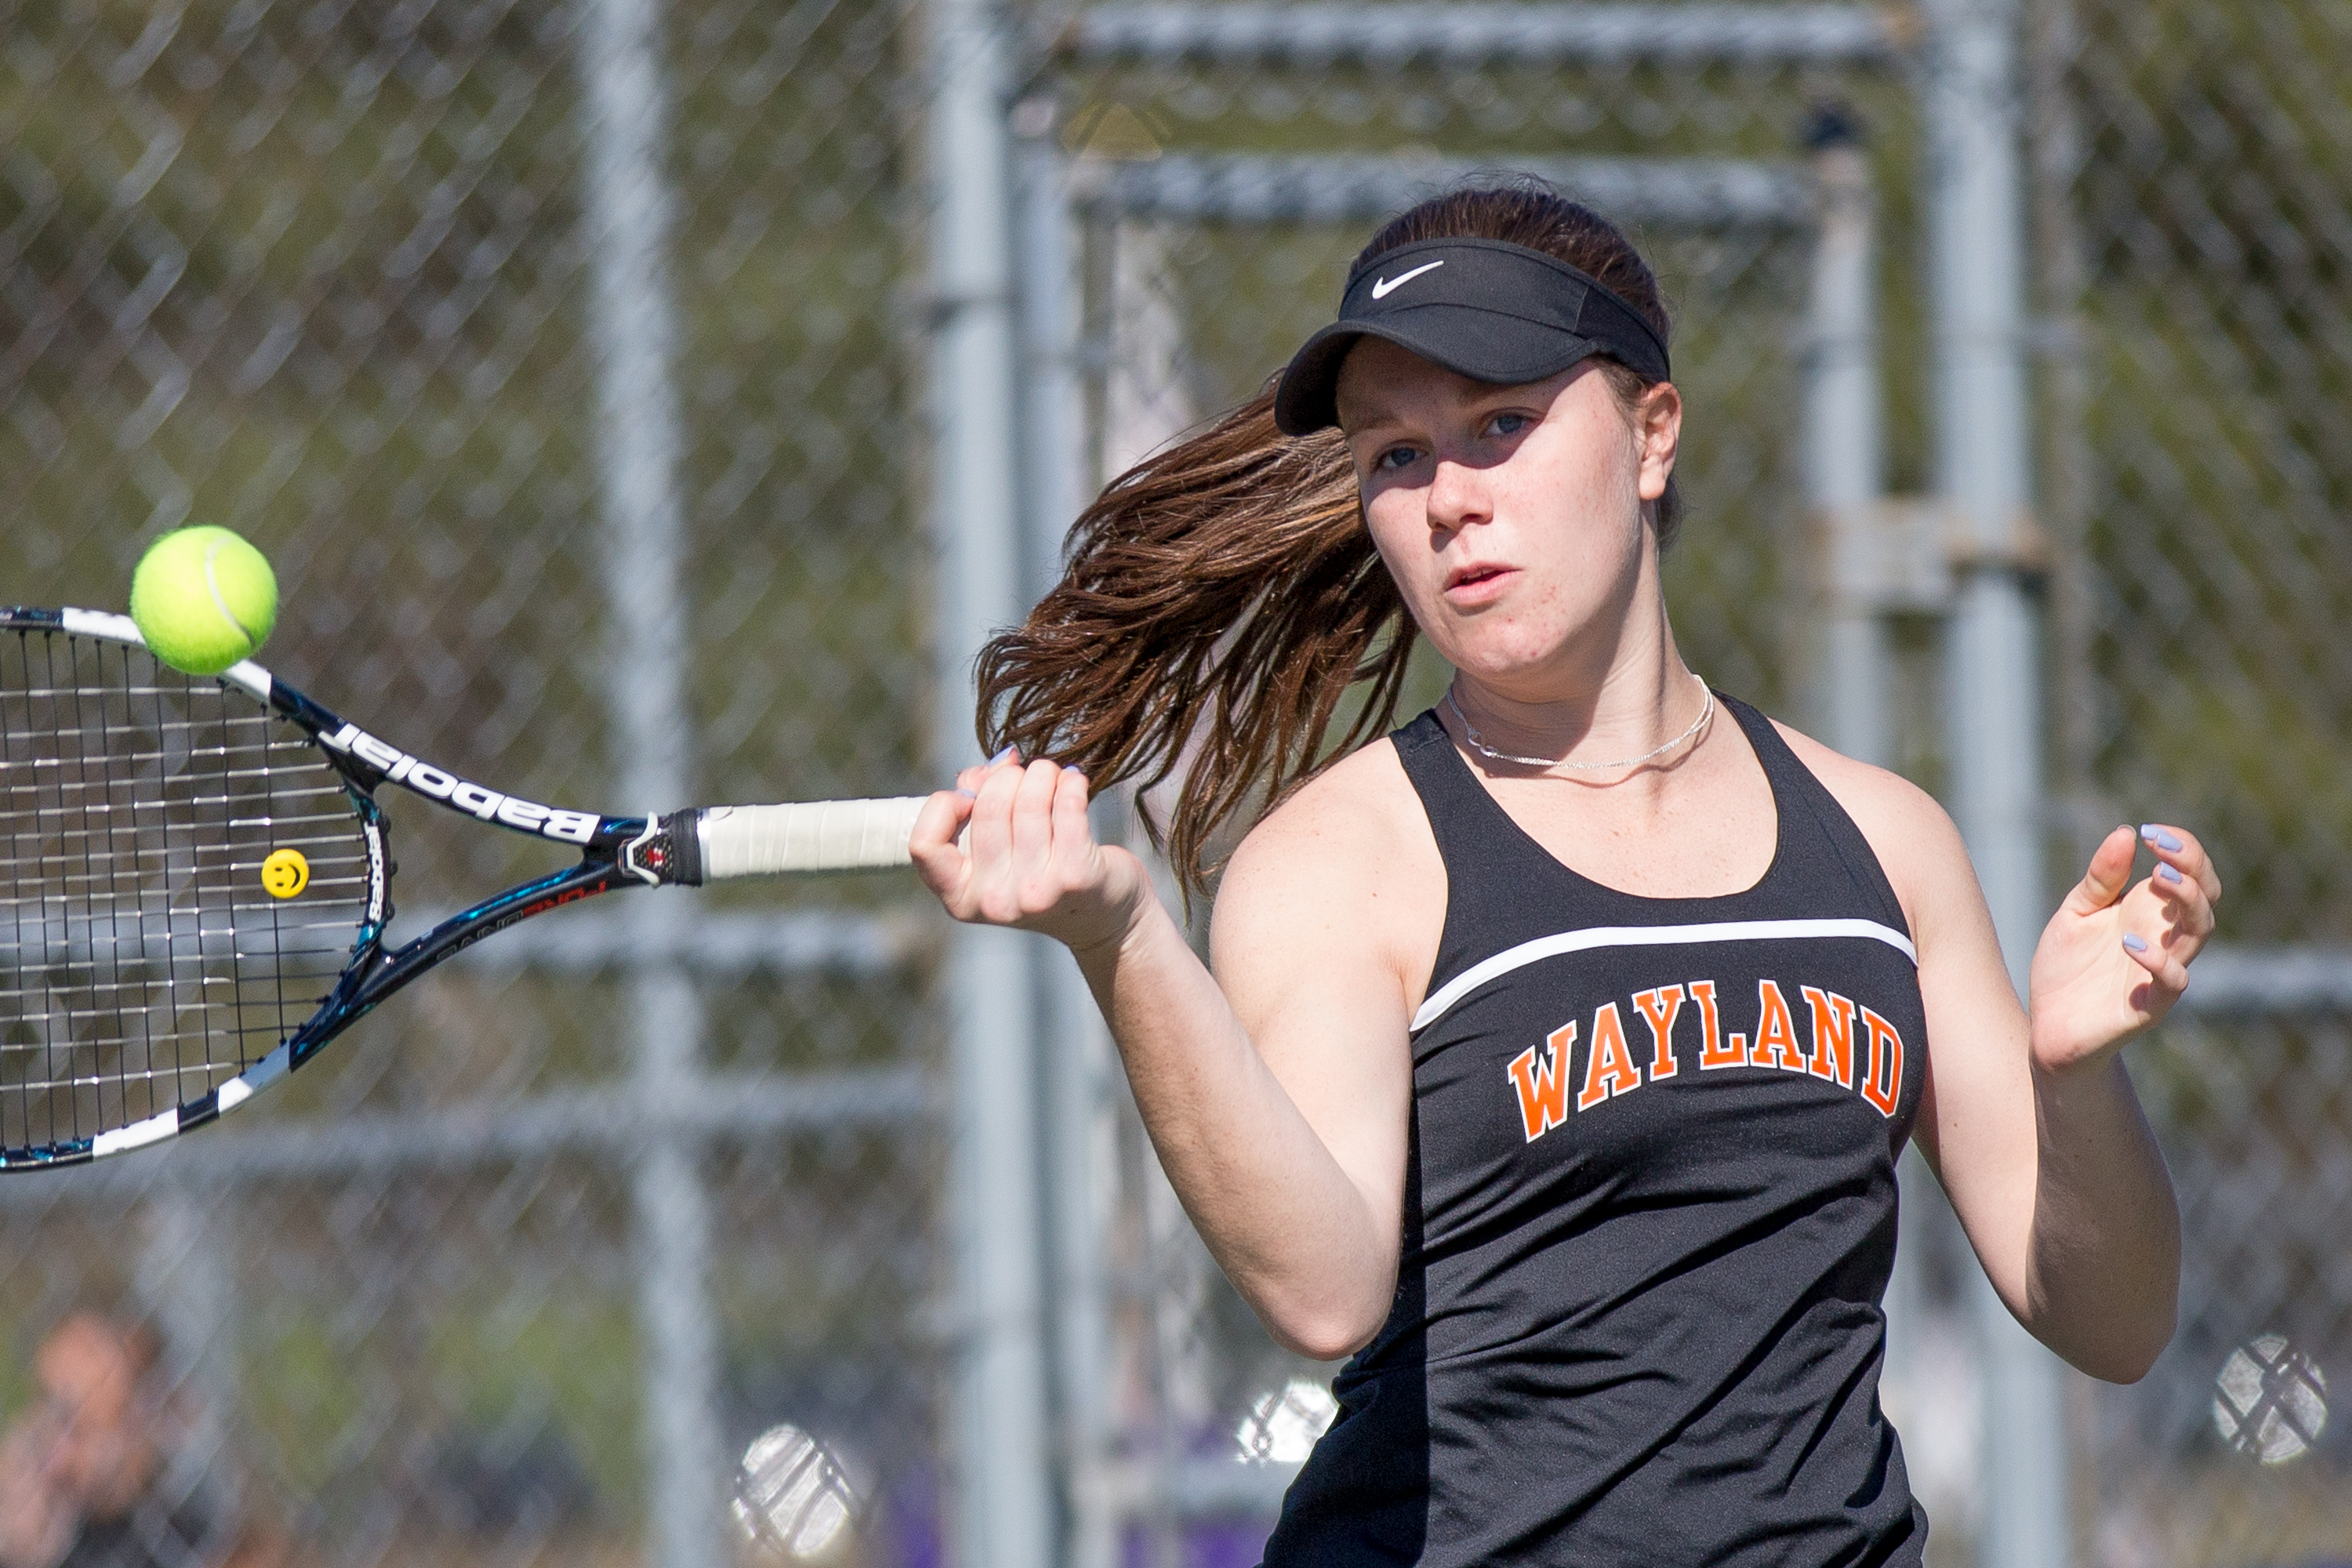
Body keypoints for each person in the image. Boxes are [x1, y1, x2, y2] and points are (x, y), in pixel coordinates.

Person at [909, 180, 2216, 1564]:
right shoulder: (1345, 859)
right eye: (1396, 458)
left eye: (1501, 427)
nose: (1450, 503)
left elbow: (2113, 1322)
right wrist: (1126, 944)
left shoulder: (1884, 843)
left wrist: (2074, 1079)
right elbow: (1324, 1287)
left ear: (1652, 435)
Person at [0, 1313, 285, 1568]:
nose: (51, 1450)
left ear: (136, 1427)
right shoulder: (39, 1513)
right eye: (43, 1404)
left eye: (78, 1429)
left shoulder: (195, 1538)